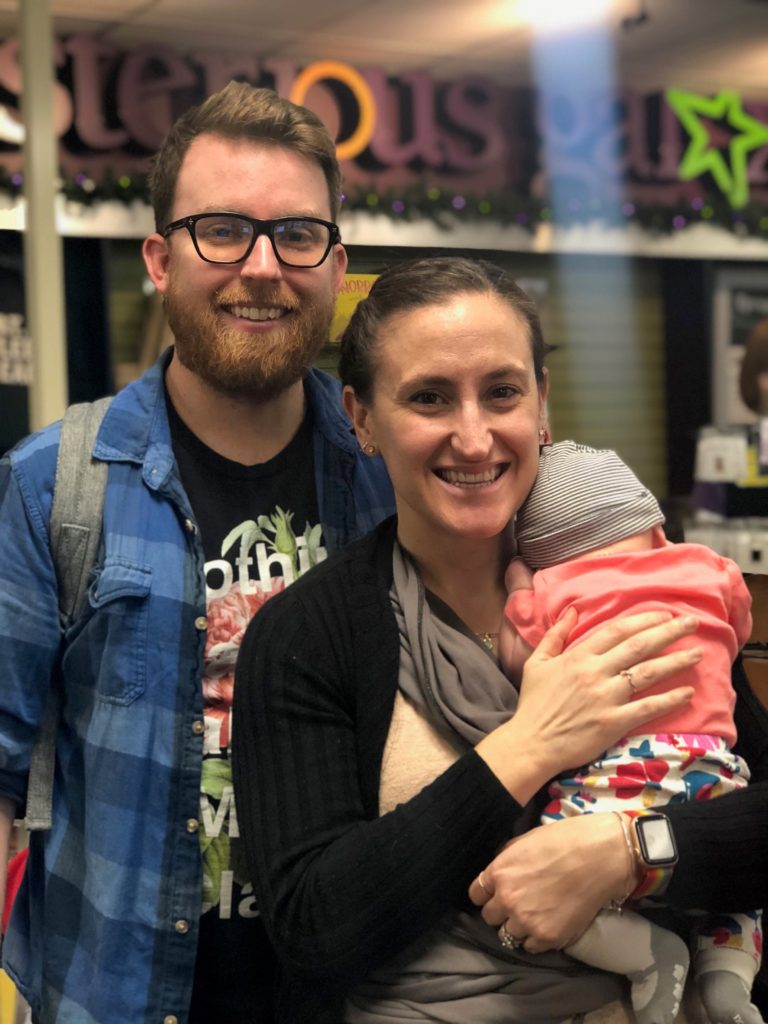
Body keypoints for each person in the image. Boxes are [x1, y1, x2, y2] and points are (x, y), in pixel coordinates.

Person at [0, 81, 395, 1024]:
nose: (262, 267)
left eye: (296, 235)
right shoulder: (55, 484)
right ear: (158, 259)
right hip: (116, 997)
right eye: (221, 229)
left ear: (335, 266)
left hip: (356, 997)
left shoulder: (395, 486)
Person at [232, 255, 707, 1024]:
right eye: (428, 398)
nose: (475, 437)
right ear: (362, 419)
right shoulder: (307, 636)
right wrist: (528, 748)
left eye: (502, 393)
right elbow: (315, 928)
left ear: (542, 404)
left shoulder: (627, 572)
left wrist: (631, 849)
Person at [497, 439, 762, 1024]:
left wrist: (518, 581)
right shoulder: (711, 569)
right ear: (653, 524)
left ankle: (650, 959)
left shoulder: (552, 594)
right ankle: (727, 980)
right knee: (742, 894)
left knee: (547, 891)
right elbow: (738, 622)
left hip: (618, 780)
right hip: (714, 771)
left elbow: (519, 660)